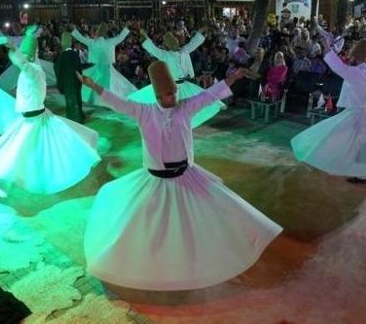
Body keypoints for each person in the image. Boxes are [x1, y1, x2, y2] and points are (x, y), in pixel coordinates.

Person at [80, 62, 282, 290]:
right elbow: (118, 103)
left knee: (204, 219)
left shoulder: (185, 107)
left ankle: (210, 260)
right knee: (152, 227)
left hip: (187, 176)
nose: (173, 98)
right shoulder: (144, 112)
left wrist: (231, 79)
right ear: (157, 95)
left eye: (174, 93)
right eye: (167, 95)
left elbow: (208, 96)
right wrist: (95, 86)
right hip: (156, 180)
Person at [0, 25, 100, 197]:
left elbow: (21, 61)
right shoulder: (31, 67)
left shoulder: (33, 70)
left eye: (25, 54)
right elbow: (22, 60)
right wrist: (21, 39)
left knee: (26, 149)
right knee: (22, 148)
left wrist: (11, 47)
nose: (21, 57)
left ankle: (24, 175)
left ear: (30, 56)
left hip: (35, 119)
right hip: (30, 118)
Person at [290, 34, 366, 184]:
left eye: (351, 56)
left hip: (356, 115)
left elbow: (335, 65)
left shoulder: (353, 72)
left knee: (333, 137)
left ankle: (338, 164)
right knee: (364, 146)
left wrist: (327, 47)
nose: (349, 58)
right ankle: (361, 173)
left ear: (355, 57)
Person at [128, 25, 225, 128]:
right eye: (170, 42)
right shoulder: (165, 54)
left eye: (174, 40)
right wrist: (144, 35)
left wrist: (203, 29)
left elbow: (195, 41)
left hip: (185, 84)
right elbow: (152, 48)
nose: (174, 43)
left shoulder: (184, 50)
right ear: (168, 45)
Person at [71, 22, 137, 106]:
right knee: (110, 84)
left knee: (96, 82)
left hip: (98, 68)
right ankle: (107, 101)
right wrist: (126, 29)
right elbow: (121, 37)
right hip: (107, 68)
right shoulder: (110, 42)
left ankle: (99, 100)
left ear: (97, 32)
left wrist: (74, 30)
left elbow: (80, 38)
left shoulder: (93, 42)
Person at [54, 31, 87, 123]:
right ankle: (80, 115)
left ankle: (75, 119)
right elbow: (79, 69)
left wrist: (60, 84)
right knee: (77, 98)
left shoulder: (61, 56)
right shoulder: (75, 54)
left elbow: (58, 71)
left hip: (67, 82)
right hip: (76, 81)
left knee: (70, 101)